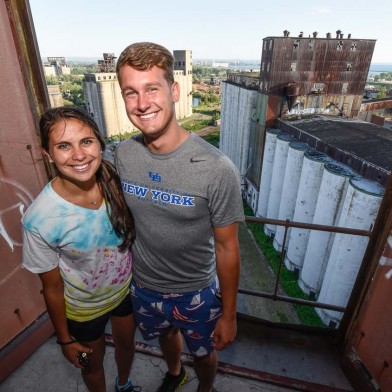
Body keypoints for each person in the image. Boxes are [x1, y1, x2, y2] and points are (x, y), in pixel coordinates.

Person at [115, 42, 244, 392]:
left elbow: (228, 247)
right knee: (165, 338)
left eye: (152, 88)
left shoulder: (216, 169)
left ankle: (205, 388)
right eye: (131, 92)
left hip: (196, 292)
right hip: (143, 286)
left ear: (173, 90)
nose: (142, 104)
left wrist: (229, 315)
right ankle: (175, 374)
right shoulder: (124, 155)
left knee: (204, 353)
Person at [22, 107, 141, 392]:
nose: (79, 155)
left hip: (125, 291)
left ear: (99, 143)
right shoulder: (40, 219)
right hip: (83, 310)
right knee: (92, 363)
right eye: (64, 146)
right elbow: (51, 287)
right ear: (47, 154)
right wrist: (65, 339)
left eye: (86, 141)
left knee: (127, 345)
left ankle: (124, 384)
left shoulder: (113, 179)